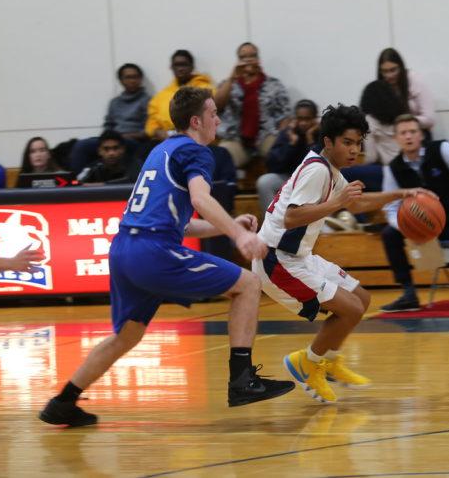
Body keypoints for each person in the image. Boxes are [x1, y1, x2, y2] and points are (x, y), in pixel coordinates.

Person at [39, 86, 294, 427]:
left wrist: (228, 226)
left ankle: (63, 401)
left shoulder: (161, 150)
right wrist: (241, 235)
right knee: (248, 284)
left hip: (124, 249)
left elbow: (180, 225)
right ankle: (242, 380)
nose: (218, 119)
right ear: (196, 120)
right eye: (213, 113)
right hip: (152, 252)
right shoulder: (196, 152)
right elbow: (201, 199)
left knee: (126, 335)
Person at [254, 104, 432, 404]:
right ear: (328, 142)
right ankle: (307, 364)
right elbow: (292, 217)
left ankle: (328, 361)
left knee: (361, 298)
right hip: (276, 260)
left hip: (299, 256)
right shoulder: (315, 171)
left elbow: (357, 204)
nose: (354, 150)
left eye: (358, 143)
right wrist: (337, 202)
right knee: (349, 308)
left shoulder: (329, 169)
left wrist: (403, 194)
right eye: (347, 143)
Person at [379, 114, 449, 313]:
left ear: (421, 135)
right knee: (389, 234)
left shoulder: (442, 149)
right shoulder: (393, 168)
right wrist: (405, 227)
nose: (408, 137)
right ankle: (409, 294)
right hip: (426, 225)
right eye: (403, 133)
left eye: (413, 132)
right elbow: (390, 207)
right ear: (396, 138)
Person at [214, 42, 291, 168]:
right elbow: (217, 106)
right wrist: (232, 77)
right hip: (235, 138)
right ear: (238, 61)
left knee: (282, 153)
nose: (248, 60)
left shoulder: (274, 84)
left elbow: (285, 115)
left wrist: (282, 137)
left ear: (258, 59)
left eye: (253, 56)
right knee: (222, 158)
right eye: (243, 57)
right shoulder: (228, 84)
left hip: (266, 135)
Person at [70, 63, 151, 174]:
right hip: (111, 138)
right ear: (121, 80)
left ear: (140, 79)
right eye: (128, 77)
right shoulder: (115, 102)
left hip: (134, 142)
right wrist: (106, 138)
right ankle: (77, 183)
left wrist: (122, 136)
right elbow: (108, 125)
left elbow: (148, 131)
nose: (132, 80)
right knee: (82, 145)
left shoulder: (148, 100)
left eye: (135, 77)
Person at [256, 99, 320, 216]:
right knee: (264, 182)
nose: (303, 123)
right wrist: (291, 145)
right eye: (300, 119)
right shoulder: (288, 133)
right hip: (289, 177)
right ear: (295, 119)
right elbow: (272, 165)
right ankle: (273, 224)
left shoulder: (321, 134)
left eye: (307, 119)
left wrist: (310, 140)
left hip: (314, 181)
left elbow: (319, 166)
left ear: (315, 119)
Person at [145, 50, 213, 141]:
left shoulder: (205, 89)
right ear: (171, 67)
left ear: (192, 67)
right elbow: (152, 122)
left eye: (184, 64)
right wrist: (159, 132)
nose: (180, 68)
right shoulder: (161, 95)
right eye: (177, 65)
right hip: (165, 139)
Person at [377, 48, 435, 134]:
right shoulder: (379, 87)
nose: (389, 75)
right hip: (392, 139)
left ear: (401, 67)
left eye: (393, 70)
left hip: (418, 136)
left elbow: (429, 119)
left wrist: (402, 121)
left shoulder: (415, 80)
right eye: (384, 71)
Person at [359, 78, 408, 165]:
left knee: (347, 172)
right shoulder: (401, 115)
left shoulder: (369, 121)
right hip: (408, 162)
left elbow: (371, 157)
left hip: (390, 168)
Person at [76, 130, 142, 184]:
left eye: (116, 148)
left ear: (123, 149)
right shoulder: (94, 167)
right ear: (99, 151)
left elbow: (135, 181)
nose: (111, 153)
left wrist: (104, 185)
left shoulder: (135, 164)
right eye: (106, 149)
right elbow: (77, 182)